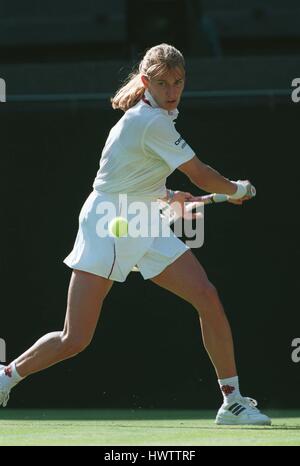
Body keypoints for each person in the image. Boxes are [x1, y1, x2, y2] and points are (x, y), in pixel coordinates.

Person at [0, 43, 270, 426]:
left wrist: (168, 195)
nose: (172, 91)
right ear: (146, 82)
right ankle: (5, 377)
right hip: (110, 225)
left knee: (206, 296)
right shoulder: (150, 122)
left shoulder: (153, 118)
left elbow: (131, 174)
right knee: (75, 337)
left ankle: (233, 401)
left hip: (142, 220)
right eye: (162, 83)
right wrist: (235, 189)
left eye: (177, 82)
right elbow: (201, 174)